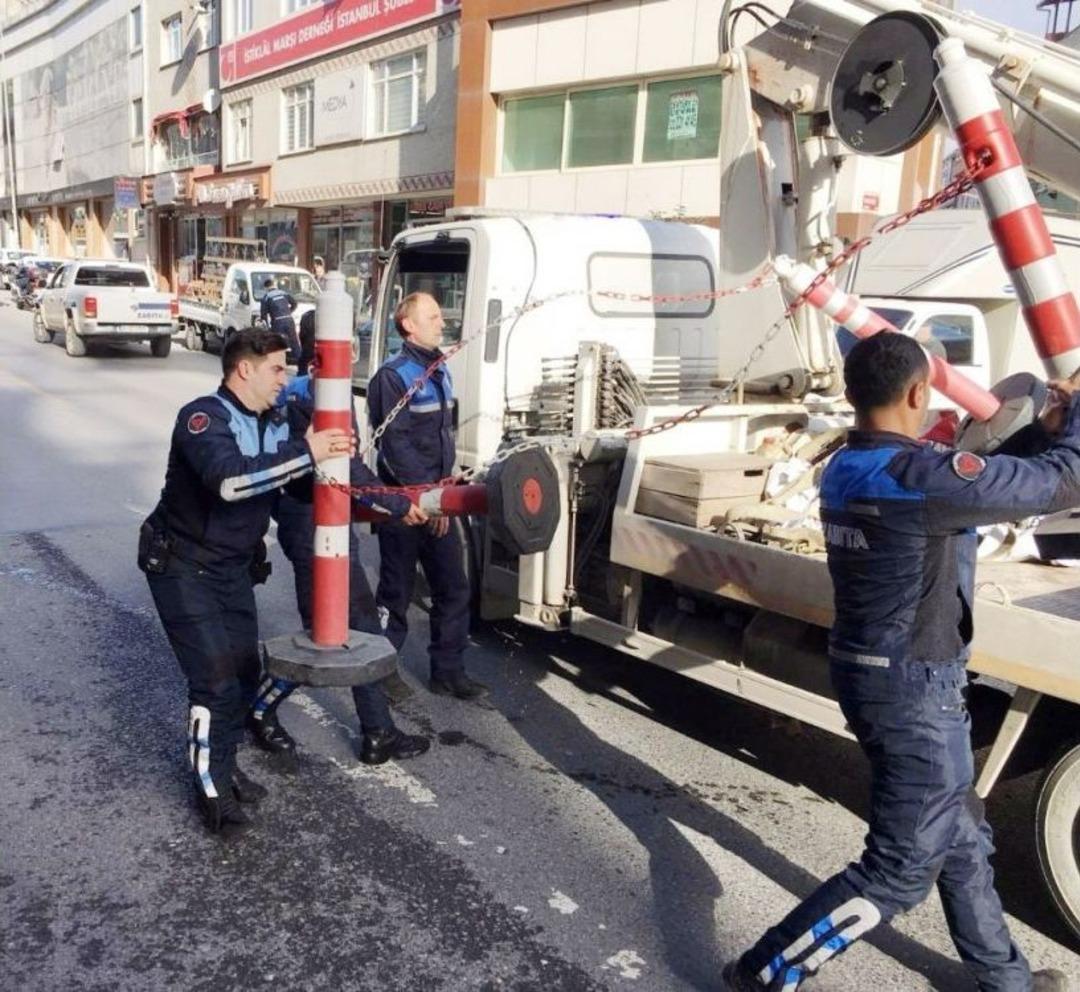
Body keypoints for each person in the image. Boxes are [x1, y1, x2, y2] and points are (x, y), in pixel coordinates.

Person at [722, 332, 1078, 992]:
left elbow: (983, 478)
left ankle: (1007, 982)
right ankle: (763, 972)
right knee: (900, 866)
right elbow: (1061, 484)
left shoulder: (857, 466)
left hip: (881, 674)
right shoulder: (919, 477)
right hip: (913, 691)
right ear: (919, 394)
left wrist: (1041, 427)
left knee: (961, 840)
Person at [140, 327, 353, 835]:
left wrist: (381, 496)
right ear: (244, 369)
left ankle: (226, 766)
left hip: (233, 570)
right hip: (182, 568)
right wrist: (308, 453)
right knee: (213, 682)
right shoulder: (202, 418)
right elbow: (232, 481)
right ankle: (210, 791)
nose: (287, 379)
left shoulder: (277, 422)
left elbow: (301, 488)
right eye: (278, 369)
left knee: (242, 675)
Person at [247, 336, 432, 766]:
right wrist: (399, 505)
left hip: (327, 519)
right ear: (321, 353)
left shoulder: (319, 388)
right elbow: (342, 464)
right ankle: (260, 707)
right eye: (344, 345)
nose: (352, 352)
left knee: (354, 626)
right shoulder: (311, 396)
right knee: (325, 634)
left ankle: (377, 732)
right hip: (312, 524)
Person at [368, 292, 485, 700]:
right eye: (433, 317)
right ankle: (378, 673)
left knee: (453, 587)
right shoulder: (393, 376)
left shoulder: (439, 371)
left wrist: (444, 495)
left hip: (437, 500)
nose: (442, 322)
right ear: (409, 326)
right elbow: (395, 447)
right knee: (396, 594)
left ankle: (448, 671)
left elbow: (442, 440)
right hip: (404, 508)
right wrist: (426, 498)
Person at [260, 277, 300, 362]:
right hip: (289, 320)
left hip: (278, 322)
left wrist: (266, 326)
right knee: (294, 340)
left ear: (266, 288)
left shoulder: (266, 297)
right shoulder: (284, 293)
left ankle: (279, 360)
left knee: (278, 341)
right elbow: (295, 303)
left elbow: (263, 314)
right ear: (273, 285)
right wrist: (289, 311)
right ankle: (299, 359)